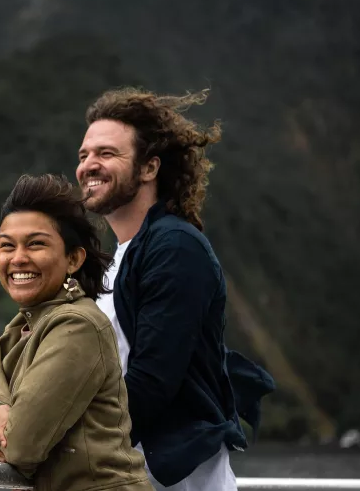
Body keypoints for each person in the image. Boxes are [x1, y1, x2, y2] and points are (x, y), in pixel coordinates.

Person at [74, 87, 276, 490]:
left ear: (149, 168)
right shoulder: (116, 261)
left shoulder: (174, 246)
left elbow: (152, 381)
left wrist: (66, 449)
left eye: (106, 154)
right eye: (84, 155)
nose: (88, 165)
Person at [0, 173, 154, 491]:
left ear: (73, 259)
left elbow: (18, 446)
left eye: (36, 244)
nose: (17, 258)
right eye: (7, 246)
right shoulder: (22, 330)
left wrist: (2, 413)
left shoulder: (77, 326)